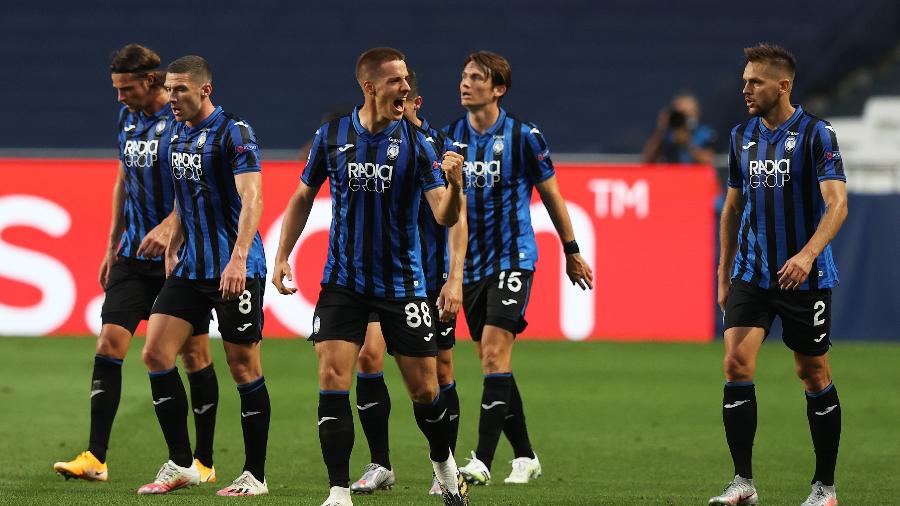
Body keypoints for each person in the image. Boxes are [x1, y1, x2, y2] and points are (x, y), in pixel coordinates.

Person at [272, 47, 469, 506]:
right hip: (343, 283)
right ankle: (339, 491)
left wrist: (455, 184)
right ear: (370, 86)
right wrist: (283, 254)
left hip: (403, 287)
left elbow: (443, 213)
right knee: (332, 375)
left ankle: (443, 466)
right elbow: (303, 196)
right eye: (397, 80)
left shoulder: (419, 145)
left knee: (425, 389)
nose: (406, 88)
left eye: (405, 81)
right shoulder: (332, 136)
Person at [53, 44, 218, 485]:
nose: (120, 97)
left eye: (126, 88)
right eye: (116, 89)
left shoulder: (180, 122)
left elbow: (198, 184)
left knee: (194, 354)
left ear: (150, 81)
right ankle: (96, 457)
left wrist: (170, 226)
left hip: (179, 257)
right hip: (131, 255)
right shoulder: (128, 120)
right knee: (109, 344)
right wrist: (111, 245)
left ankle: (201, 460)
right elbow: (123, 179)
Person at [445, 50, 593, 486]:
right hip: (469, 266)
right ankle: (525, 456)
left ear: (498, 89)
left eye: (476, 77)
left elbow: (551, 194)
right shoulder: (450, 137)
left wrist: (571, 249)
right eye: (463, 75)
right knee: (495, 363)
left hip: (513, 258)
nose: (465, 83)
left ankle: (482, 460)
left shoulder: (524, 136)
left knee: (493, 353)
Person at [710, 43, 848, 506]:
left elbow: (837, 203)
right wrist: (723, 271)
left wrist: (808, 255)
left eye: (755, 82)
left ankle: (824, 488)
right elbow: (732, 208)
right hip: (752, 272)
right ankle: (742, 482)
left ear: (783, 85)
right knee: (735, 364)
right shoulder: (740, 136)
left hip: (804, 278)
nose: (745, 88)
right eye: (745, 80)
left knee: (812, 373)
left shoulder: (817, 134)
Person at [135, 55, 271, 497]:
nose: (170, 98)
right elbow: (186, 199)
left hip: (237, 269)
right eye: (168, 90)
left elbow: (253, 200)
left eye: (179, 90)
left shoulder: (236, 133)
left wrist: (238, 258)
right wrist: (174, 243)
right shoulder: (174, 132)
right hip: (192, 268)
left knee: (242, 366)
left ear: (204, 90)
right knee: (156, 353)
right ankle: (182, 463)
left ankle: (255, 474)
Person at [348, 70, 468, 497]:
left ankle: (445, 470)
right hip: (388, 279)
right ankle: (381, 463)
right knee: (367, 356)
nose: (401, 109)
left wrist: (454, 280)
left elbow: (457, 221)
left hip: (431, 277)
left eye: (407, 102)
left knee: (437, 374)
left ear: (417, 104)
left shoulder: (436, 150)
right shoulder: (370, 145)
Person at [643, 91, 717, 165]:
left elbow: (707, 159)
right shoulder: (668, 134)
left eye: (687, 113)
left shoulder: (705, 132)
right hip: (673, 175)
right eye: (680, 114)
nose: (684, 118)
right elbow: (648, 159)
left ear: (697, 113)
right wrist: (661, 129)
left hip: (697, 175)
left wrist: (687, 144)